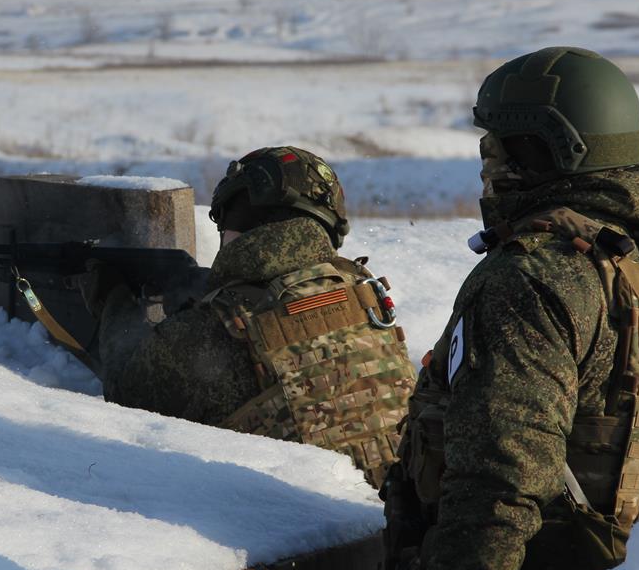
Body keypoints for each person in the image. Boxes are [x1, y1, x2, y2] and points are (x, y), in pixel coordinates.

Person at [379, 47, 639, 570]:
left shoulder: (532, 278)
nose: (486, 169)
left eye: (496, 149)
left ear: (547, 150)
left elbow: (498, 486)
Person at [79, 146, 415, 487]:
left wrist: (112, 302)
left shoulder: (212, 330)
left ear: (238, 225)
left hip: (297, 530)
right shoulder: (364, 294)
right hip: (396, 509)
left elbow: (125, 391)